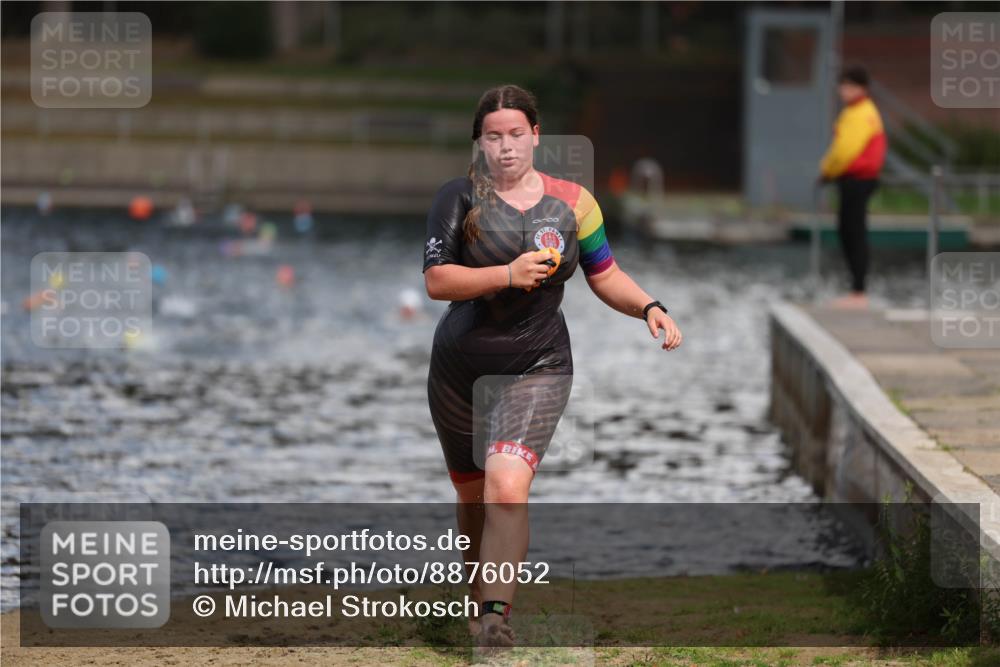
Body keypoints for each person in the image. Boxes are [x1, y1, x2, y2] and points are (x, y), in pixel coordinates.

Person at [421, 84, 682, 648]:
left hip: (539, 364)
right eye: (494, 136)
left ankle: (495, 616)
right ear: (479, 142)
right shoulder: (457, 197)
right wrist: (506, 274)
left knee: (507, 487)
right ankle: (477, 600)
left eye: (517, 134)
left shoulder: (575, 203)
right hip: (458, 372)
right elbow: (438, 281)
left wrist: (649, 307)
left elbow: (605, 274)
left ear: (536, 135)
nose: (506, 146)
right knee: (473, 497)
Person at [818, 65, 887, 310]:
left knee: (853, 233)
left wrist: (826, 170)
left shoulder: (859, 113)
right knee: (849, 231)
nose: (844, 90)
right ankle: (857, 290)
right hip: (856, 179)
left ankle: (859, 292)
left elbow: (844, 151)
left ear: (863, 88)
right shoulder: (858, 111)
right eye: (842, 85)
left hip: (857, 179)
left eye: (850, 86)